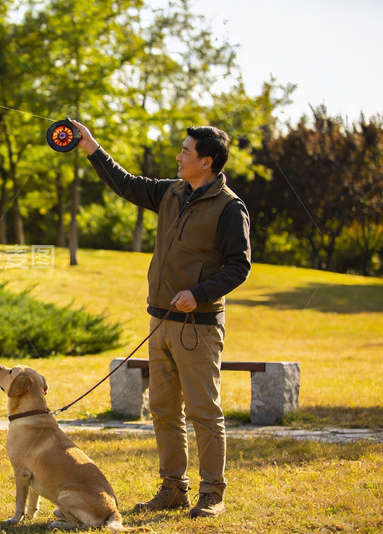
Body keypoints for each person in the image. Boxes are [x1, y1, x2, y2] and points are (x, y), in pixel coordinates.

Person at [71, 120, 251, 518]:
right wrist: (92, 148)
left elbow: (240, 266)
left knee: (204, 413)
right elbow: (127, 184)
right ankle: (173, 489)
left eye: (185, 151)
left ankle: (212, 493)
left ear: (206, 162)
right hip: (160, 321)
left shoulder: (229, 207)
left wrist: (199, 294)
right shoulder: (172, 192)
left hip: (199, 327)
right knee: (164, 410)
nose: (178, 156)